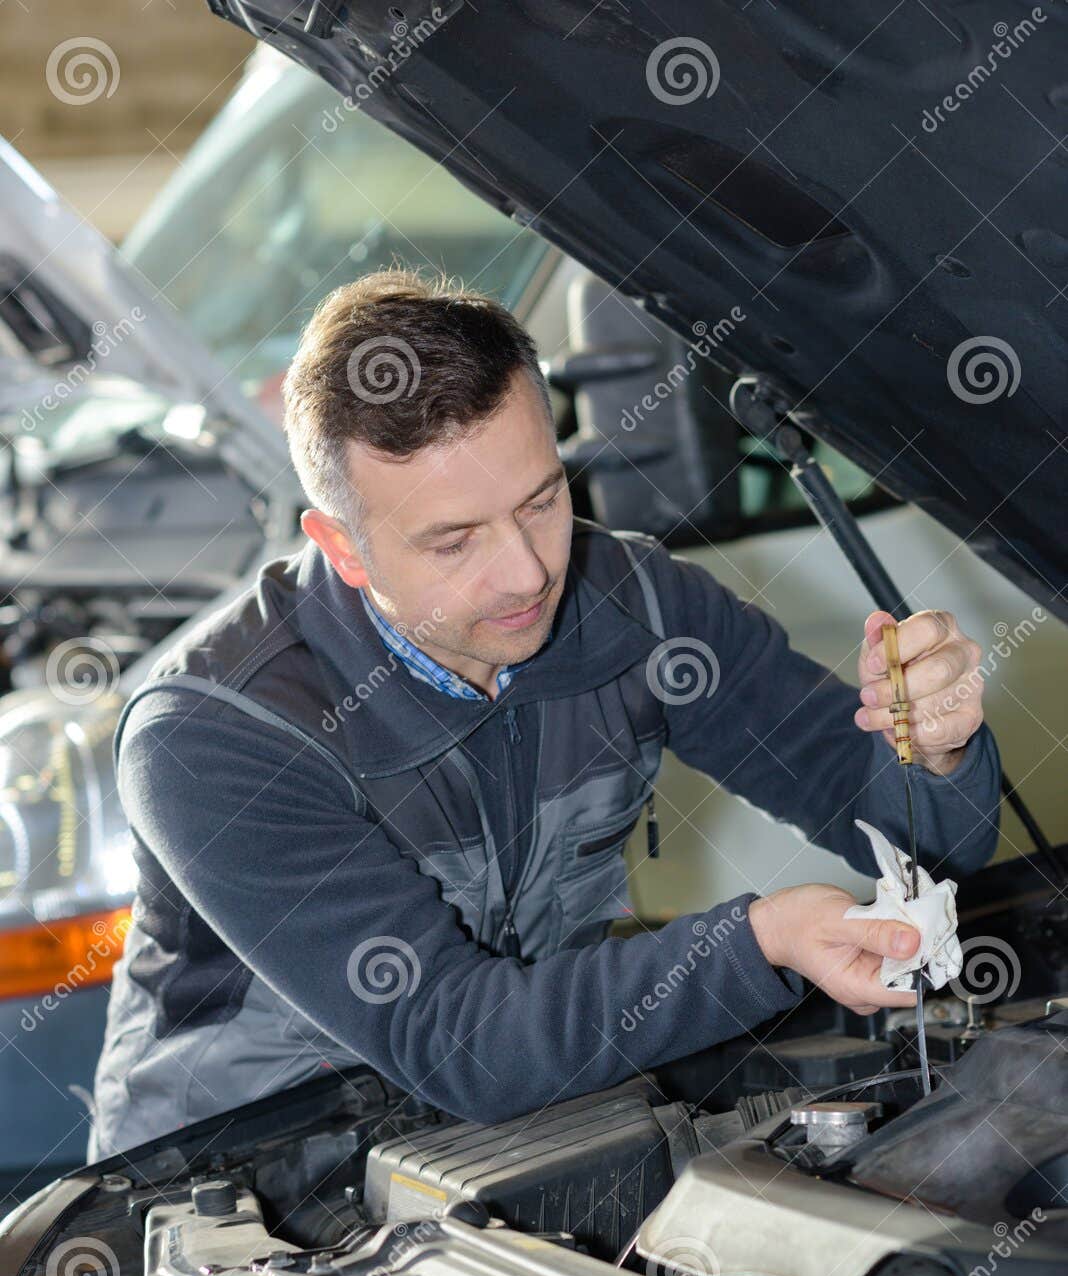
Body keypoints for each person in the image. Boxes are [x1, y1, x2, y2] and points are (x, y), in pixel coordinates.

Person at [89, 269, 998, 1158]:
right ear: (343, 546)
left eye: (542, 500)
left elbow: (924, 837)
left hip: (515, 1141)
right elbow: (460, 1042)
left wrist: (938, 750)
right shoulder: (213, 736)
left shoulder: (640, 608)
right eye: (455, 542)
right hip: (238, 1184)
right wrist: (759, 943)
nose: (527, 573)